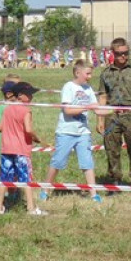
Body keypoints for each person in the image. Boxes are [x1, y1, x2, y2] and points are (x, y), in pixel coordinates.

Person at [40, 60, 102, 204]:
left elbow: (97, 108)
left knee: (87, 162)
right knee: (58, 162)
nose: (90, 76)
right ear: (77, 73)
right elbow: (67, 110)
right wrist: (87, 107)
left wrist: (115, 110)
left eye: (91, 73)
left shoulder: (88, 89)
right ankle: (45, 189)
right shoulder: (69, 87)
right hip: (66, 132)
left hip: (83, 133)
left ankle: (94, 194)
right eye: (87, 73)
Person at [95, 38, 131, 190]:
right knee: (111, 149)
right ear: (113, 53)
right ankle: (115, 182)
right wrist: (100, 119)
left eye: (126, 53)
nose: (123, 56)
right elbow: (102, 97)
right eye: (119, 54)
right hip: (111, 115)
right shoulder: (106, 73)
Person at [0, 82, 45, 216]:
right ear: (21, 95)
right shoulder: (26, 110)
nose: (32, 97)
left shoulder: (7, 109)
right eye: (30, 94)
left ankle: (0, 207)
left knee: (4, 179)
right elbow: (28, 129)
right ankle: (31, 208)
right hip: (21, 150)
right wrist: (36, 138)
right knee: (26, 180)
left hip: (7, 149)